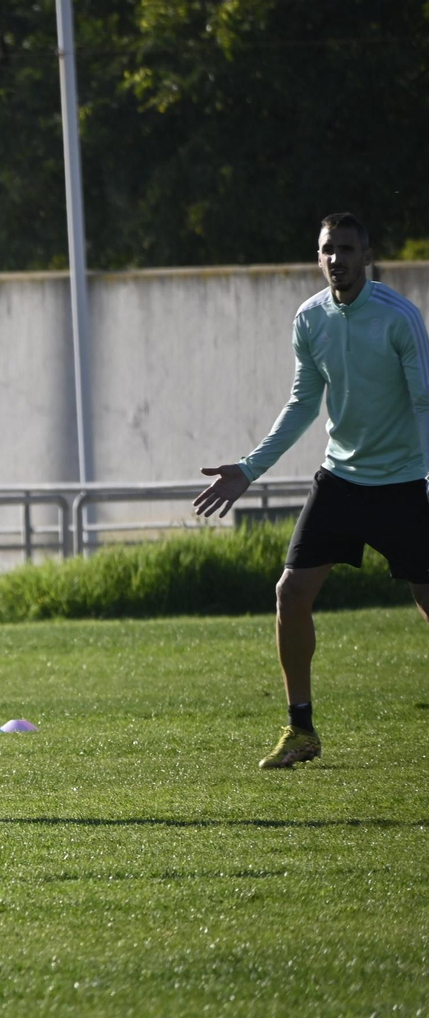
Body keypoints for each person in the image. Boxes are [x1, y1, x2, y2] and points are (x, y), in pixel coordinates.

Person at [196, 212, 429, 769]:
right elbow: (304, 402)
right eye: (328, 249)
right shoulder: (310, 319)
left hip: (402, 482)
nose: (337, 259)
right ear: (318, 255)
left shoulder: (399, 318)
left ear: (366, 256)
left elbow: (424, 402)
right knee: (290, 594)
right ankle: (300, 729)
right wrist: (250, 470)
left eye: (347, 249)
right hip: (341, 481)